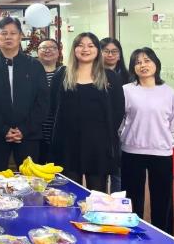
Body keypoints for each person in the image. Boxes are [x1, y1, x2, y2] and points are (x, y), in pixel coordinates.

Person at [50, 32, 125, 192]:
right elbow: (52, 107)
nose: (85, 49)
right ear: (74, 49)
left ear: (97, 50)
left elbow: (118, 110)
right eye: (80, 45)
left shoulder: (110, 77)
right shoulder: (61, 75)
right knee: (69, 193)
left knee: (98, 194)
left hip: (98, 145)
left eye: (90, 46)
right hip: (67, 144)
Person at [0, 17, 49, 171]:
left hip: (29, 135)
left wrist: (24, 129)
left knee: (29, 179)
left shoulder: (34, 65)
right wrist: (3, 129)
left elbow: (42, 102)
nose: (8, 37)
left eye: (13, 33)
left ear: (20, 36)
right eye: (4, 33)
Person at [121, 47, 174, 234]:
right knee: (132, 197)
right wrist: (124, 137)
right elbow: (120, 120)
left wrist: (166, 140)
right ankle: (131, 233)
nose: (143, 65)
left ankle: (164, 235)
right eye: (137, 62)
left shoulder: (168, 92)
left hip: (161, 151)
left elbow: (172, 123)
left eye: (147, 60)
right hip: (132, 150)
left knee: (163, 198)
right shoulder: (127, 90)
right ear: (133, 67)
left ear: (156, 63)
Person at [100, 37, 129, 192]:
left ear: (119, 55)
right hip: (100, 131)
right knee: (100, 173)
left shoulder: (128, 77)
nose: (110, 55)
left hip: (123, 131)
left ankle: (116, 203)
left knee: (119, 173)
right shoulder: (92, 75)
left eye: (114, 51)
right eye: (106, 51)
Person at [37, 38, 62, 163]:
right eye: (44, 48)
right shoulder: (31, 73)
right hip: (36, 130)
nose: (48, 50)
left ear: (58, 52)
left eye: (52, 47)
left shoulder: (65, 73)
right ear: (38, 52)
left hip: (58, 129)